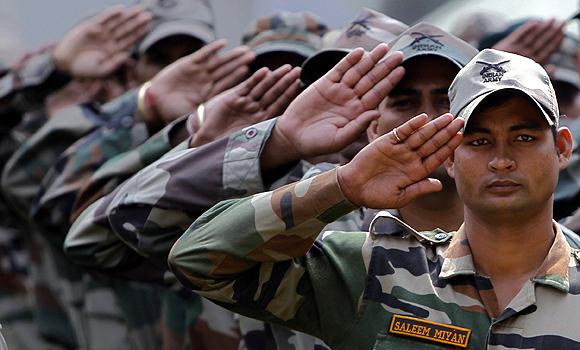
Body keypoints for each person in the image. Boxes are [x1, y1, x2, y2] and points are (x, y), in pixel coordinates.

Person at [168, 47, 580, 348]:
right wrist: (342, 185)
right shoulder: (374, 269)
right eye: (478, 140)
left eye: (524, 137)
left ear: (562, 148)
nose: (502, 160)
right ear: (449, 155)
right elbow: (199, 259)